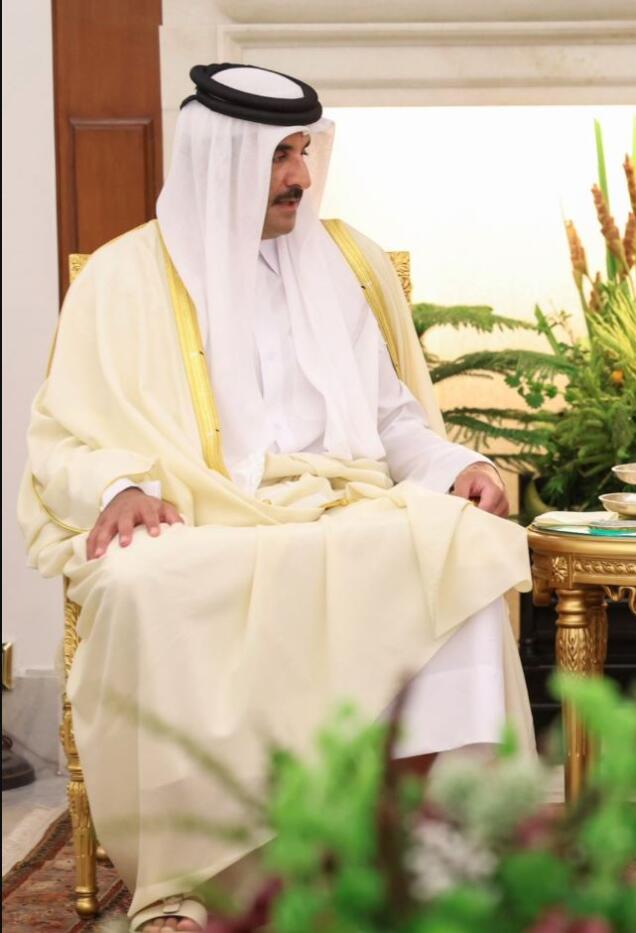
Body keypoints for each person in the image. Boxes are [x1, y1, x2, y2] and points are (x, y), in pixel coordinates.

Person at [19, 63, 534, 932]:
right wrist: (122, 486)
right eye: (277, 157)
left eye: (302, 151)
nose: (299, 176)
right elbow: (63, 432)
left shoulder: (343, 263)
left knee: (469, 551)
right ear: (219, 160)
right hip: (203, 518)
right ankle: (204, 875)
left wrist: (456, 466)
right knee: (143, 583)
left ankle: (395, 846)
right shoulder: (121, 277)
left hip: (342, 507)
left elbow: (392, 421)